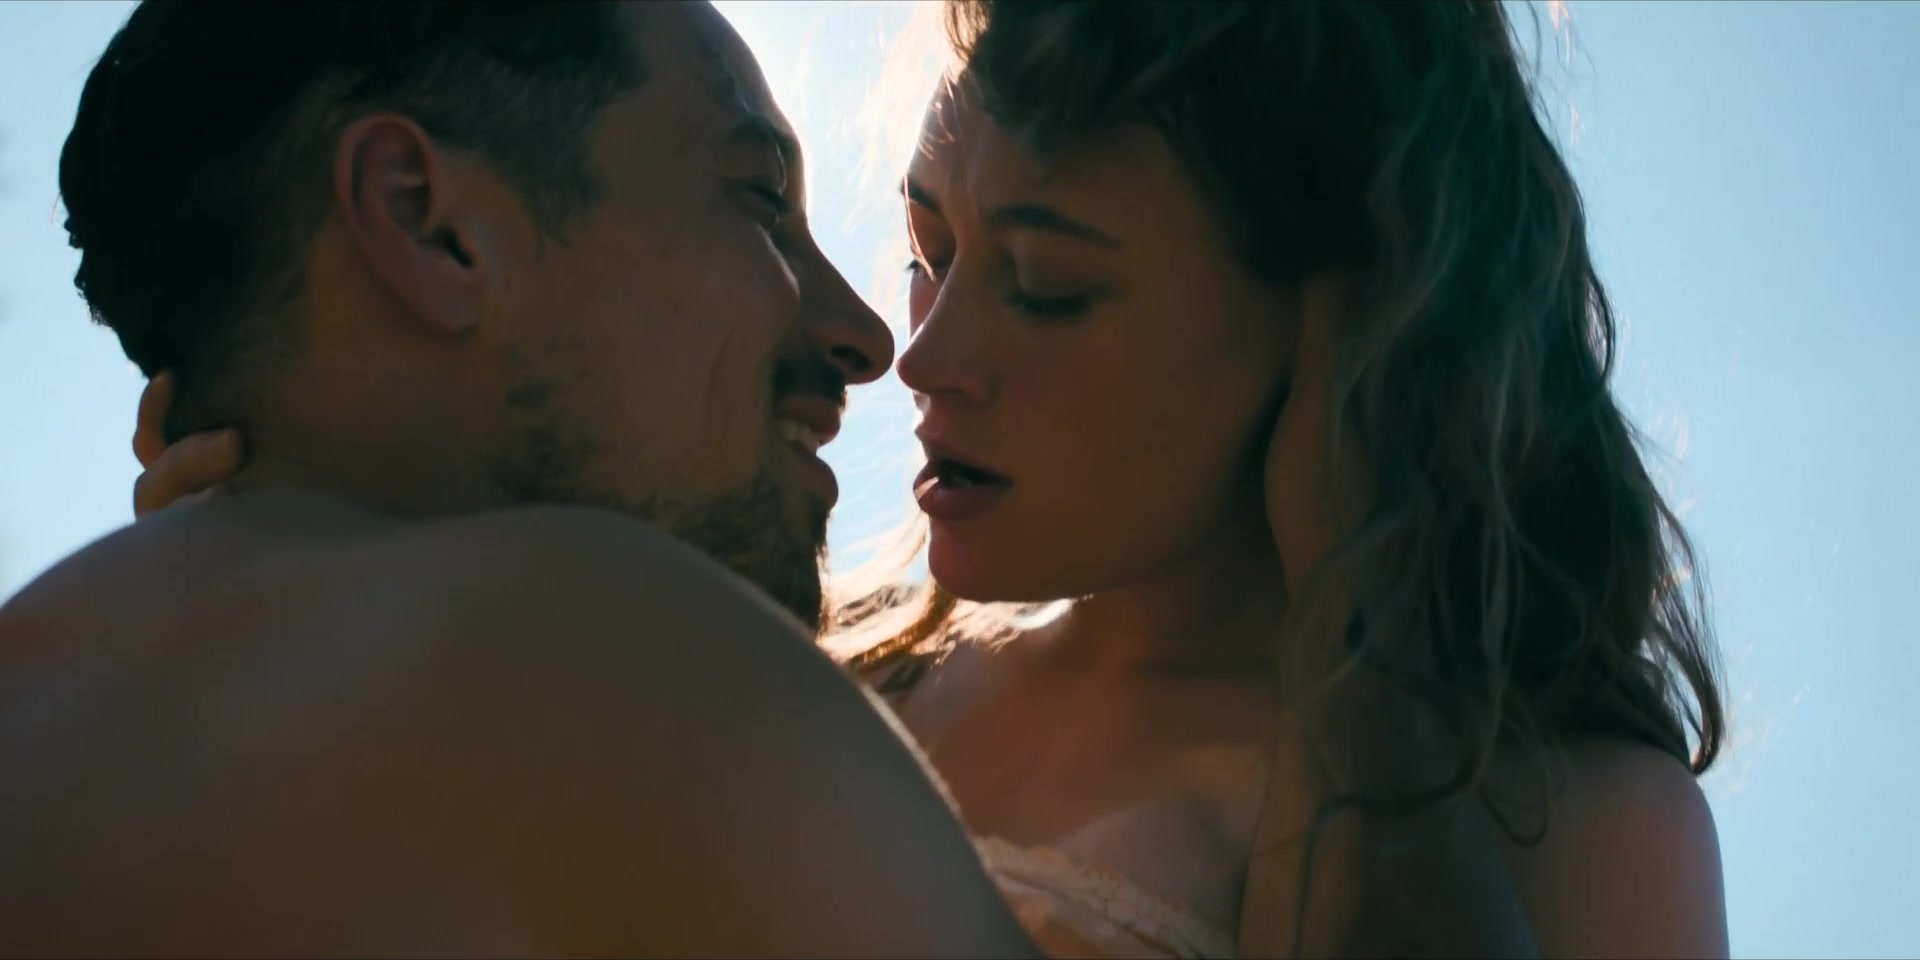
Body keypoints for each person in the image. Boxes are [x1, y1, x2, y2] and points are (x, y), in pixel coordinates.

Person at [130, 1, 1732, 958]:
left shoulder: (1568, 815)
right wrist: (273, 625)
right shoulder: (804, 670)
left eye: (1048, 288)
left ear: (1352, 325)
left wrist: (1372, 694)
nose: (922, 354)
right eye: (928, 250)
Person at [0, 2, 1040, 956]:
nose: (864, 337)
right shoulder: (628, 649)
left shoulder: (65, 717)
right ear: (430, 224)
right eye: (759, 201)